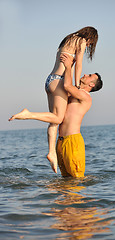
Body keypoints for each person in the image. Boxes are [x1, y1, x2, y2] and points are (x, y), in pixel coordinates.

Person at [9, 26, 98, 174]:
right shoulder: (81, 41)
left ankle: (51, 153)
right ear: (90, 38)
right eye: (90, 44)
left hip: (50, 80)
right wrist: (76, 85)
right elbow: (79, 65)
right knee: (57, 118)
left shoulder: (68, 39)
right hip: (59, 82)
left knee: (53, 120)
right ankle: (28, 114)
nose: (88, 46)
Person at [57, 53, 103, 177]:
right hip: (61, 141)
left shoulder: (85, 97)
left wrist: (68, 67)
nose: (85, 75)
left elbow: (67, 85)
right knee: (66, 180)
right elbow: (66, 86)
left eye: (89, 76)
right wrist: (70, 65)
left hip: (73, 141)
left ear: (91, 85)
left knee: (76, 180)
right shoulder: (76, 92)